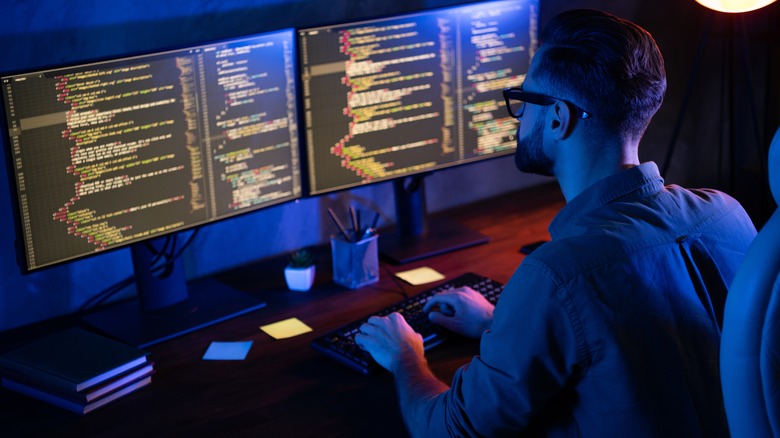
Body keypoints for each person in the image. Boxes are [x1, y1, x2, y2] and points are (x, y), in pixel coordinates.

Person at [354, 9, 758, 437]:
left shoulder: (558, 274)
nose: (519, 118)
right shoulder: (727, 214)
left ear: (557, 118)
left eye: (524, 100)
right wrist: (498, 324)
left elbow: (451, 429)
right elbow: (651, 342)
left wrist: (405, 357)